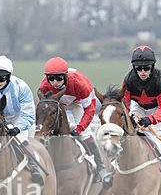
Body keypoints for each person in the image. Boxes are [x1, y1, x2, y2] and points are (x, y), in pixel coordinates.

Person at [38, 56, 112, 186]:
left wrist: (79, 128)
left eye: (59, 78)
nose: (54, 82)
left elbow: (89, 110)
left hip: (78, 101)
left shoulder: (80, 84)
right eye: (51, 78)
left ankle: (100, 166)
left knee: (85, 133)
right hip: (57, 101)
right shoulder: (44, 85)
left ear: (65, 76)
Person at [121, 45, 161, 186]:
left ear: (153, 66)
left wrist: (150, 119)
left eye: (146, 68)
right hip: (138, 107)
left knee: (159, 137)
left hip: (158, 110)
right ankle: (114, 168)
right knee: (127, 134)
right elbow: (125, 103)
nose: (143, 72)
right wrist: (128, 117)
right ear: (134, 68)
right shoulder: (128, 80)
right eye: (138, 68)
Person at [0, 55, 44, 185]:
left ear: (8, 76)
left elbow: (29, 114)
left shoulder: (22, 87)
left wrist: (17, 128)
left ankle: (35, 167)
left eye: (1, 78)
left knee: (21, 140)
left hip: (19, 118)